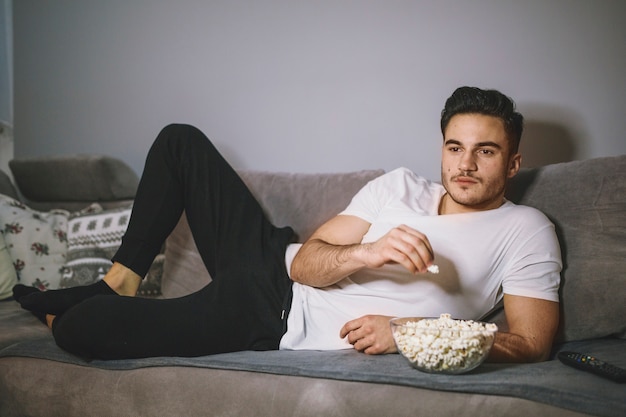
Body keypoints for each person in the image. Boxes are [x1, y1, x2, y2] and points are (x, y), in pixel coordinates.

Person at [14, 86, 561, 362]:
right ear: (441, 148)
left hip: (271, 316)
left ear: (512, 163)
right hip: (273, 261)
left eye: (484, 152)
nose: (464, 164)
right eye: (454, 147)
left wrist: (408, 334)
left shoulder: (526, 228)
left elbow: (531, 342)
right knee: (179, 140)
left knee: (82, 332)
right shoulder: (400, 186)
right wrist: (364, 254)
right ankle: (118, 281)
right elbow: (304, 262)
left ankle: (86, 307)